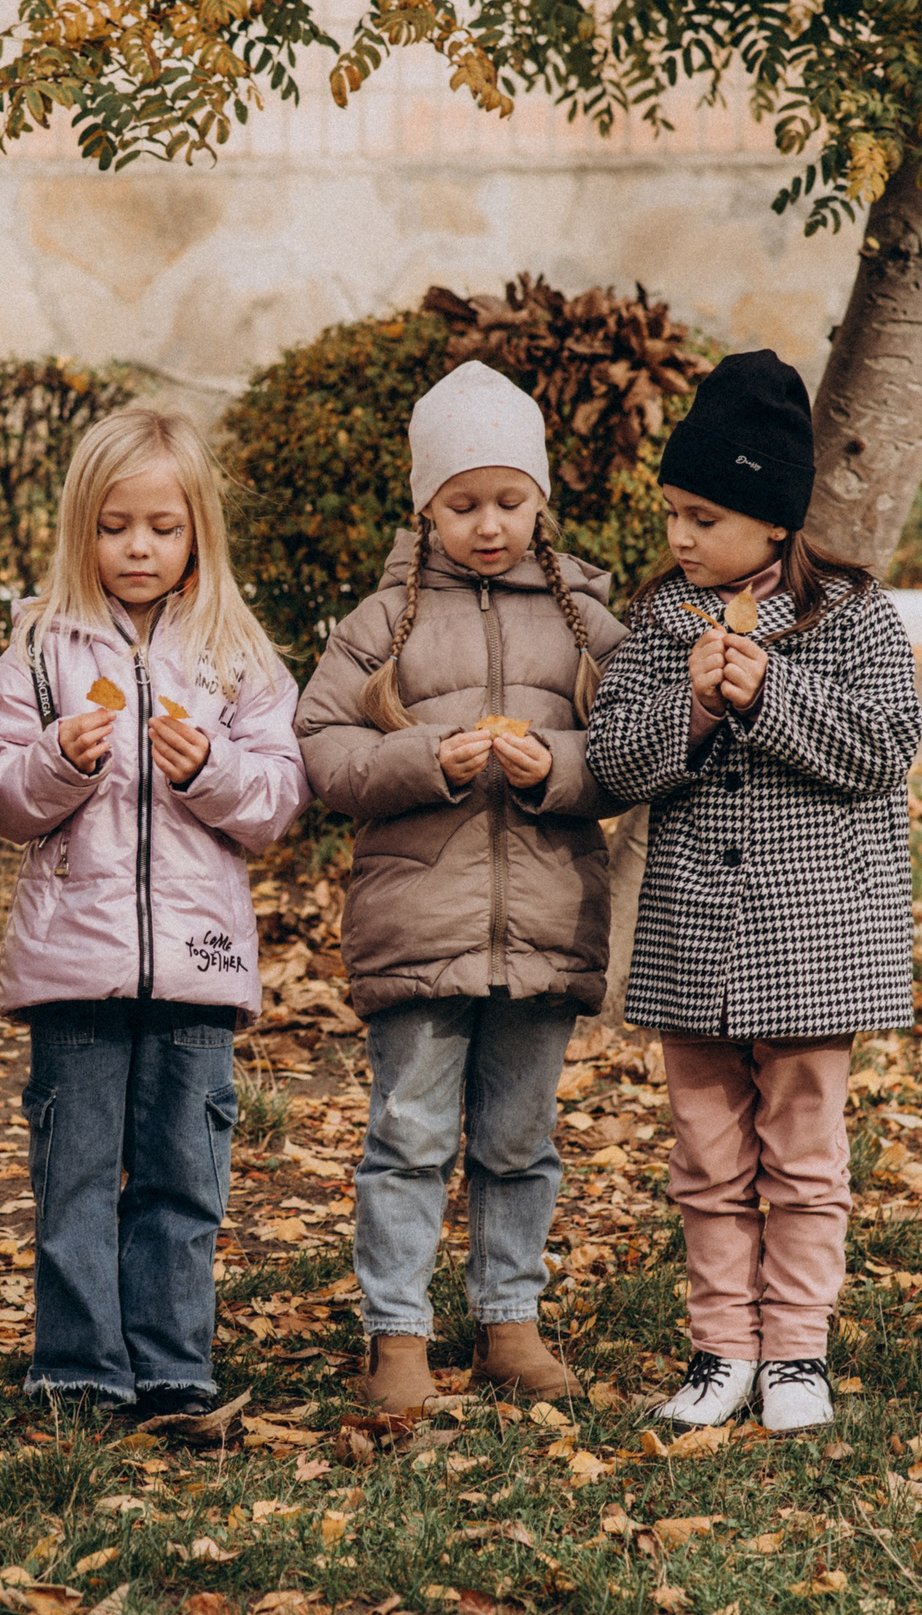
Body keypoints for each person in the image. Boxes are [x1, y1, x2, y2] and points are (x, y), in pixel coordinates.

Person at [584, 350, 922, 1434]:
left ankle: (797, 1355)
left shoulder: (856, 620)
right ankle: (721, 1345)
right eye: (673, 513)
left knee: (804, 1155)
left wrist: (770, 688)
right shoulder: (658, 622)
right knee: (708, 1155)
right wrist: (684, 714)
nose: (680, 537)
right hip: (692, 938)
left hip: (814, 942)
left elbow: (883, 745)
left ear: (774, 519)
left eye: (705, 516)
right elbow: (608, 766)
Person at [295, 360, 629, 1416]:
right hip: (419, 923)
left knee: (520, 1139)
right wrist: (425, 757)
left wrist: (561, 769)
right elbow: (321, 747)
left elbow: (633, 748)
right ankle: (398, 1335)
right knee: (407, 1134)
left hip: (544, 918)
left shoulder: (583, 621)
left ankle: (507, 1321)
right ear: (424, 505)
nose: (489, 525)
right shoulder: (380, 623)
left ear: (540, 499)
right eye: (463, 504)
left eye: (509, 501)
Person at [0, 406, 308, 1415]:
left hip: (197, 963)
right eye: (116, 526)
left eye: (161, 527)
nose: (138, 547)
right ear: (83, 528)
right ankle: (78, 1362)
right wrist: (52, 762)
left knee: (182, 1169)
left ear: (196, 529)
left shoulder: (234, 657)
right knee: (73, 1173)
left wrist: (210, 769)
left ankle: (170, 1359)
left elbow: (278, 799)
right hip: (73, 961)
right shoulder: (37, 653)